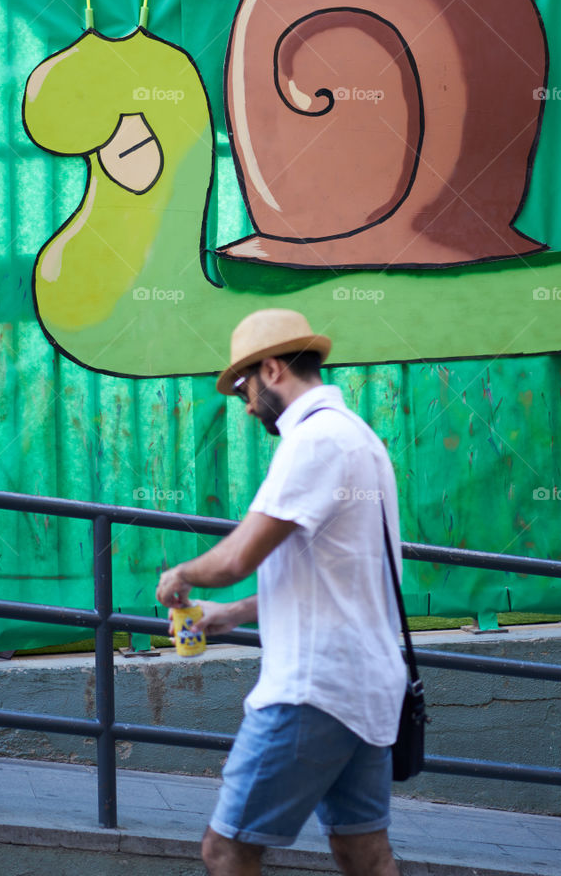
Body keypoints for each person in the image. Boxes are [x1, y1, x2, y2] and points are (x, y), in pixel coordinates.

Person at [155, 308, 407, 876]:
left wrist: (183, 576)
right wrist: (233, 615)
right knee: (362, 852)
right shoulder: (358, 439)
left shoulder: (314, 441)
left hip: (312, 691)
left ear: (271, 370)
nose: (244, 404)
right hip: (364, 687)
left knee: (226, 849)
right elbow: (331, 581)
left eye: (243, 385)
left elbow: (239, 556)